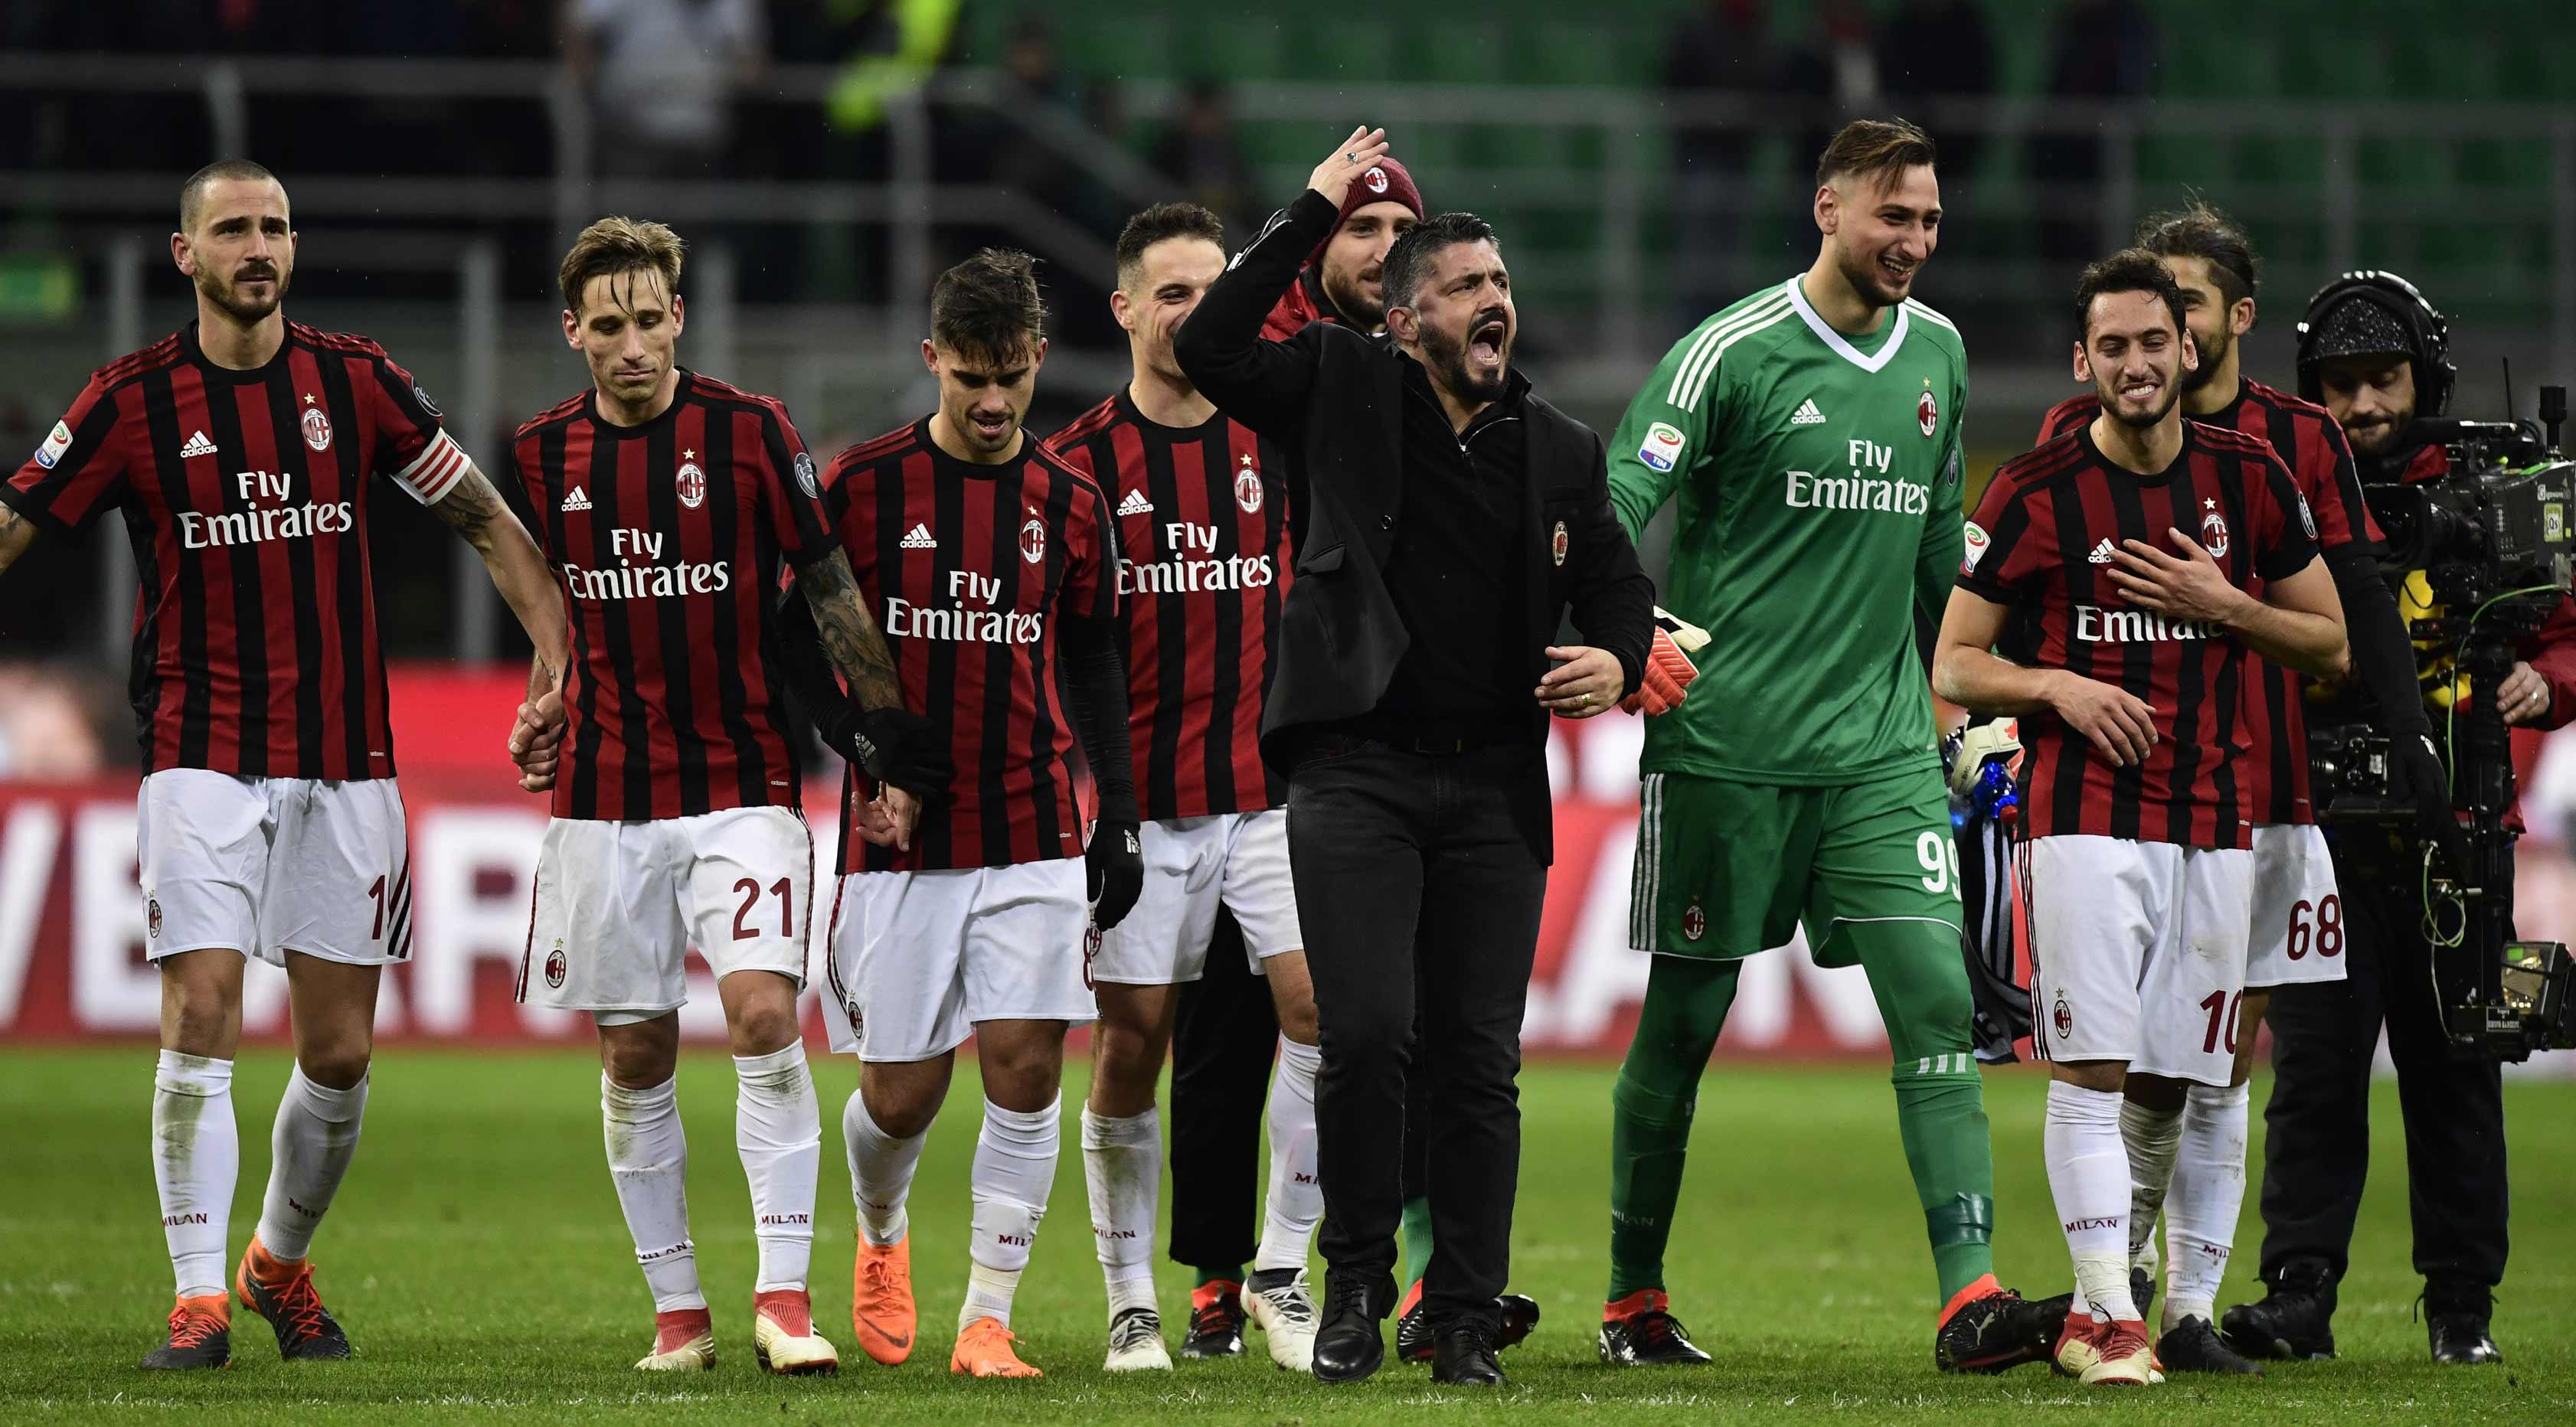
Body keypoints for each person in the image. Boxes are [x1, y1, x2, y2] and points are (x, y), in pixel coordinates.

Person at [0, 159, 568, 1370]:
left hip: (347, 761)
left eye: (276, 228)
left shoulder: (353, 384)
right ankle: (197, 1299)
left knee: (341, 1057)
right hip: (197, 754)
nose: (259, 247)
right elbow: (16, 522)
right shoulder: (127, 402)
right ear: (185, 254)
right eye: (233, 230)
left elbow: (481, 518)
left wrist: (557, 646)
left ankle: (278, 1266)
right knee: (201, 1008)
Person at [1178, 127, 1655, 1388]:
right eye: (1465, 287)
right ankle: (1352, 1286)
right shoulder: (1336, 383)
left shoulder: (1558, 448)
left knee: (1478, 1060)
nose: (1495, 303)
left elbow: (1618, 595)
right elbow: (1207, 346)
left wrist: (1612, 660)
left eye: (1500, 283)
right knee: (1371, 1032)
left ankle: (1462, 1312)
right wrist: (1307, 208)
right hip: (1356, 774)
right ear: (1403, 318)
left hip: (1496, 784)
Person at [1599, 116, 2047, 1374]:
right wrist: (1622, 632)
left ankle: (1969, 1294)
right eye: (1893, 216)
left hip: (1879, 750)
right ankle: (1633, 1293)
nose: (1914, 242)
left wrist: (1972, 700)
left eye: (1932, 221)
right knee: (1684, 1026)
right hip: (1725, 747)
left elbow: (1929, 551)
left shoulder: (1942, 356)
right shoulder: (1730, 352)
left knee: (1937, 1001)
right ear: (1827, 206)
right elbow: (1616, 503)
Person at [496, 216, 941, 1375]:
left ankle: (784, 1301)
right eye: (609, 327)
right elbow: (565, 614)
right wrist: (546, 702)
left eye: (650, 321)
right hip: (603, 801)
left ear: (679, 318)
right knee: (634, 1056)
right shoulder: (541, 452)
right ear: (573, 333)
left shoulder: (749, 432)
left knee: (758, 1018)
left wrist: (880, 747)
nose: (633, 345)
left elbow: (830, 588)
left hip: (743, 784)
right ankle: (679, 1317)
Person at [2031, 205, 2450, 1374]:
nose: (2159, 335)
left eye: (2185, 308)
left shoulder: (2289, 444)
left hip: (2263, 795)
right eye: (2141, 316)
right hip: (2123, 798)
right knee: (2127, 1054)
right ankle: (2114, 1288)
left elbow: (2354, 606)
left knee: (2220, 1055)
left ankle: (2172, 1300)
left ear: (2228, 320)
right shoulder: (2078, 444)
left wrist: (2407, 732)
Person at [1934, 248, 2349, 1387]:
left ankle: (2185, 1314)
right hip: (2083, 814)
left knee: (2207, 1076)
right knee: (2095, 1069)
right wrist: (2058, 687)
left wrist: (2225, 604)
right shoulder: (2033, 489)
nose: (2135, 364)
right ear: (2084, 359)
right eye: (2111, 347)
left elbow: (2331, 642)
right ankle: (2106, 1317)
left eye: (2152, 342)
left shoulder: (2253, 478)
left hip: (2220, 817)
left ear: (2189, 347)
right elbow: (1958, 662)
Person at [2222, 269, 2576, 1365]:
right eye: (2340, 385)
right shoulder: (2275, 489)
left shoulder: (2504, 482)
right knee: (2316, 1074)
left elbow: (2567, 630)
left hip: (2461, 830)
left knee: (2459, 1065)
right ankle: (2299, 1298)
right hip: (2319, 824)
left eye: (2385, 380)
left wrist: (2548, 684)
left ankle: (2462, 1310)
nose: (2365, 405)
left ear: (2429, 375)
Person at [803, 248, 1145, 1381]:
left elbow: (1094, 661)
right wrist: (864, 748)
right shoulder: (862, 488)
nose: (994, 403)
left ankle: (987, 1320)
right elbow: (797, 646)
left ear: (1038, 360)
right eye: (970, 379)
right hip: (902, 844)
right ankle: (884, 1230)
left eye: (1012, 377)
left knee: (1027, 1068)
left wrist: (1120, 813)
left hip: (1033, 826)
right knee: (899, 1098)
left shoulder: (1070, 502)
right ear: (931, 361)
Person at [1038, 202, 1320, 1373]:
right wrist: (1095, 798)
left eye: (1213, 290)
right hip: (1143, 809)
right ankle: (1128, 1302)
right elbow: (1061, 647)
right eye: (1171, 294)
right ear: (1124, 310)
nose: (1194, 313)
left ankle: (1282, 1271)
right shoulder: (1083, 464)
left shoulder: (1279, 439)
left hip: (1267, 795)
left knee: (1320, 1016)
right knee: (1132, 1049)